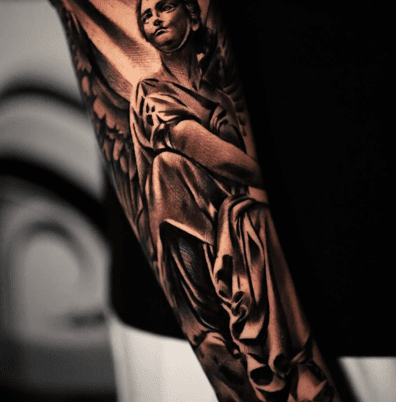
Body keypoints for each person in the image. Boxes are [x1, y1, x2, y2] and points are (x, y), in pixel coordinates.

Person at [49, 0, 341, 400]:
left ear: (192, 16)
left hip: (354, 284)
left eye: (165, 7)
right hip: (196, 338)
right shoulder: (150, 92)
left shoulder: (216, 96)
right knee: (167, 167)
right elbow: (194, 144)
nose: (153, 19)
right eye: (146, 15)